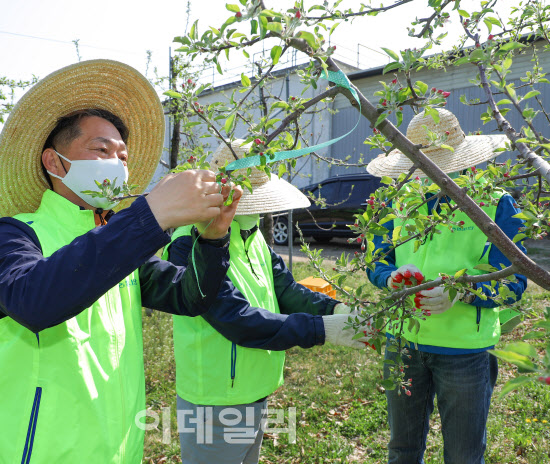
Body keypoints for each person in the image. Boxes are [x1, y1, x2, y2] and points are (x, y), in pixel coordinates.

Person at [0, 60, 242, 463]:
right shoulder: (14, 234)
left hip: (119, 450)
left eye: (123, 156)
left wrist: (213, 238)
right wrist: (150, 216)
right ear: (54, 162)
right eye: (101, 150)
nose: (116, 163)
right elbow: (32, 300)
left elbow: (191, 296)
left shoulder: (119, 243)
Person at [165, 140, 367, 464]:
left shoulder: (252, 236)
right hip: (214, 401)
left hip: (255, 390)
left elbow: (285, 289)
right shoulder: (190, 243)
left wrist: (335, 309)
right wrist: (323, 329)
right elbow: (236, 319)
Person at [365, 108, 528, 464]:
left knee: (464, 455)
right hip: (403, 343)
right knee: (402, 450)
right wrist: (389, 277)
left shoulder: (495, 204)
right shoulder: (398, 201)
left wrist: (463, 291)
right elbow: (377, 261)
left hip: (465, 353)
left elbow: (513, 281)